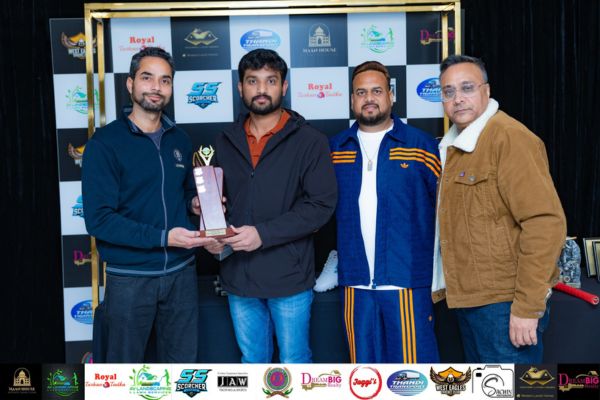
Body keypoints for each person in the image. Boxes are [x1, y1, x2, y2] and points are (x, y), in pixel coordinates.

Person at [82, 47, 217, 362]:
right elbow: (99, 220)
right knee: (123, 371)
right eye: (147, 78)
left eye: (165, 80)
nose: (156, 87)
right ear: (130, 84)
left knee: (181, 369)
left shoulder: (180, 139)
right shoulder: (104, 144)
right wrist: (164, 237)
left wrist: (195, 205)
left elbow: (182, 194)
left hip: (181, 274)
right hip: (130, 277)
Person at [434, 54, 567, 362]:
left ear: (487, 90)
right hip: (471, 302)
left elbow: (544, 223)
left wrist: (527, 307)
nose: (458, 98)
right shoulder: (456, 147)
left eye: (467, 87)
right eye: (449, 91)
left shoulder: (509, 138)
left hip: (505, 306)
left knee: (513, 386)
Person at [210, 49, 337, 363]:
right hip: (239, 276)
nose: (261, 89)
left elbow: (321, 205)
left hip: (289, 277)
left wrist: (262, 234)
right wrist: (206, 219)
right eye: (252, 81)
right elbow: (214, 201)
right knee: (253, 363)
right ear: (240, 87)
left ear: (284, 86)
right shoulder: (224, 140)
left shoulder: (310, 141)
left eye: (270, 80)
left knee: (294, 362)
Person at [329, 61, 440, 363]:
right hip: (355, 281)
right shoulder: (336, 148)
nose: (369, 98)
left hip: (406, 279)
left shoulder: (420, 145)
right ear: (351, 100)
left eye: (377, 91)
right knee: (364, 376)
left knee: (413, 376)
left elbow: (445, 210)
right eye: (361, 92)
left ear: (391, 95)